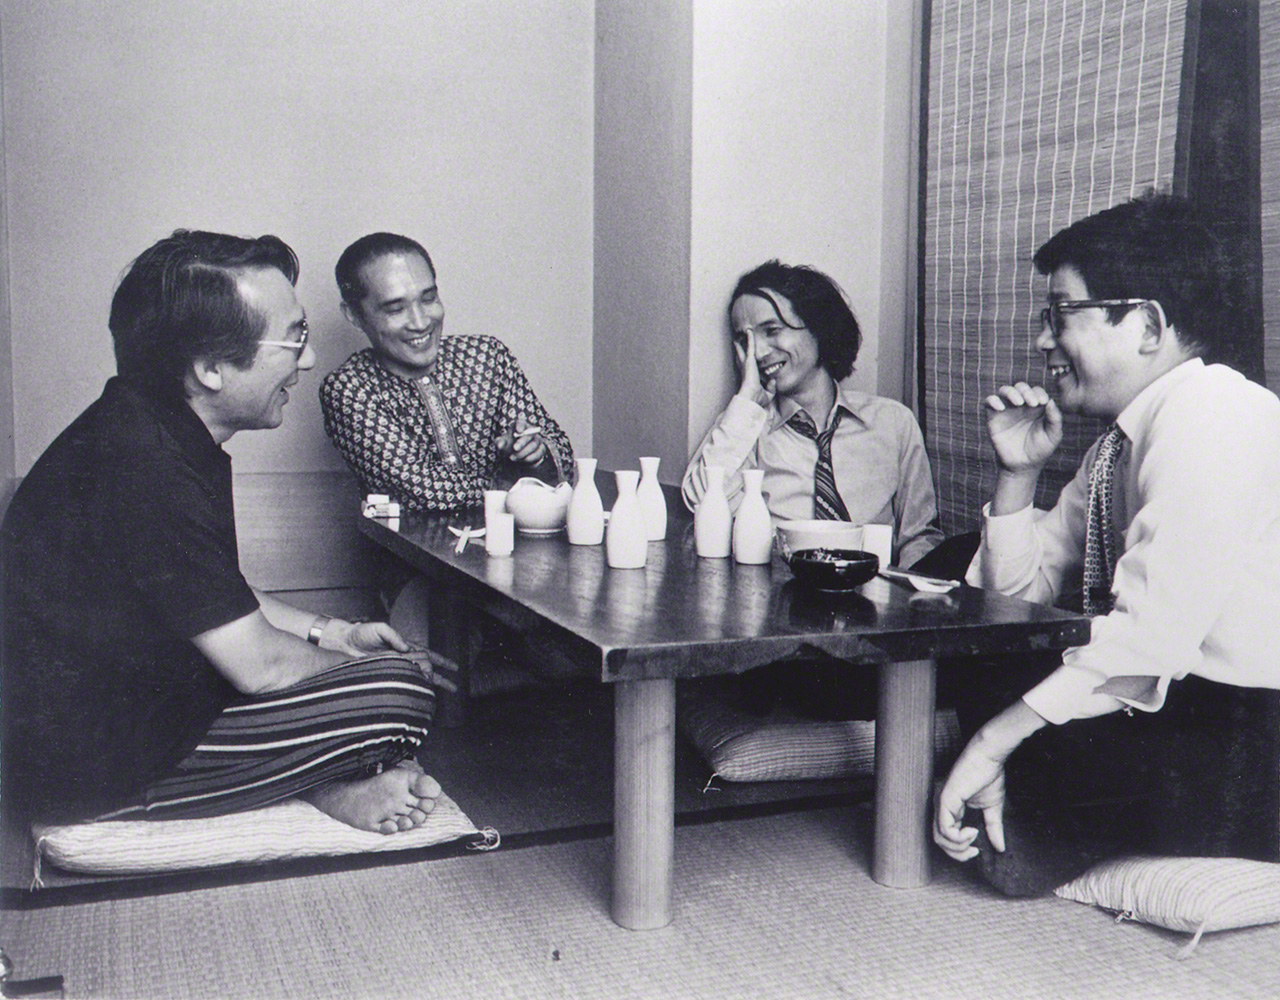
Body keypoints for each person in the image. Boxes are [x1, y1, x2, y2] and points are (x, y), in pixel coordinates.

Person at [1, 230, 441, 834]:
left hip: (137, 700)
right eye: (294, 339)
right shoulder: (143, 464)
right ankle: (323, 779)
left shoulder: (150, 425)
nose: (308, 359)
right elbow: (259, 665)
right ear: (210, 368)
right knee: (401, 689)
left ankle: (324, 776)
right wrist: (346, 667)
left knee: (369, 674)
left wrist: (335, 631)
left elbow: (216, 595)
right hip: (80, 760)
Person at [933, 192, 1280, 896]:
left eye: (1061, 315)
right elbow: (1010, 607)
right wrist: (1017, 477)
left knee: (1004, 726)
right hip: (1185, 707)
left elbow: (1152, 636)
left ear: (1146, 324)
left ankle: (1020, 809)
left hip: (1252, 729)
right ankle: (1026, 814)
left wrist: (992, 740)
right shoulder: (1115, 447)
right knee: (982, 658)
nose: (1043, 341)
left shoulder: (1216, 411)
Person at [681, 261, 944, 719]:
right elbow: (702, 501)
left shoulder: (892, 423)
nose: (758, 352)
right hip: (788, 636)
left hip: (879, 627)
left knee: (964, 552)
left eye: (771, 331)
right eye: (744, 341)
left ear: (820, 326)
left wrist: (911, 618)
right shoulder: (746, 431)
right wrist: (746, 401)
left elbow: (920, 536)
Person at [320, 232, 574, 512]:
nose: (420, 322)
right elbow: (422, 491)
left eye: (428, 299)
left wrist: (535, 454)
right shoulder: (350, 388)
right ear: (354, 315)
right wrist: (517, 483)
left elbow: (562, 456)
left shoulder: (487, 356)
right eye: (396, 309)